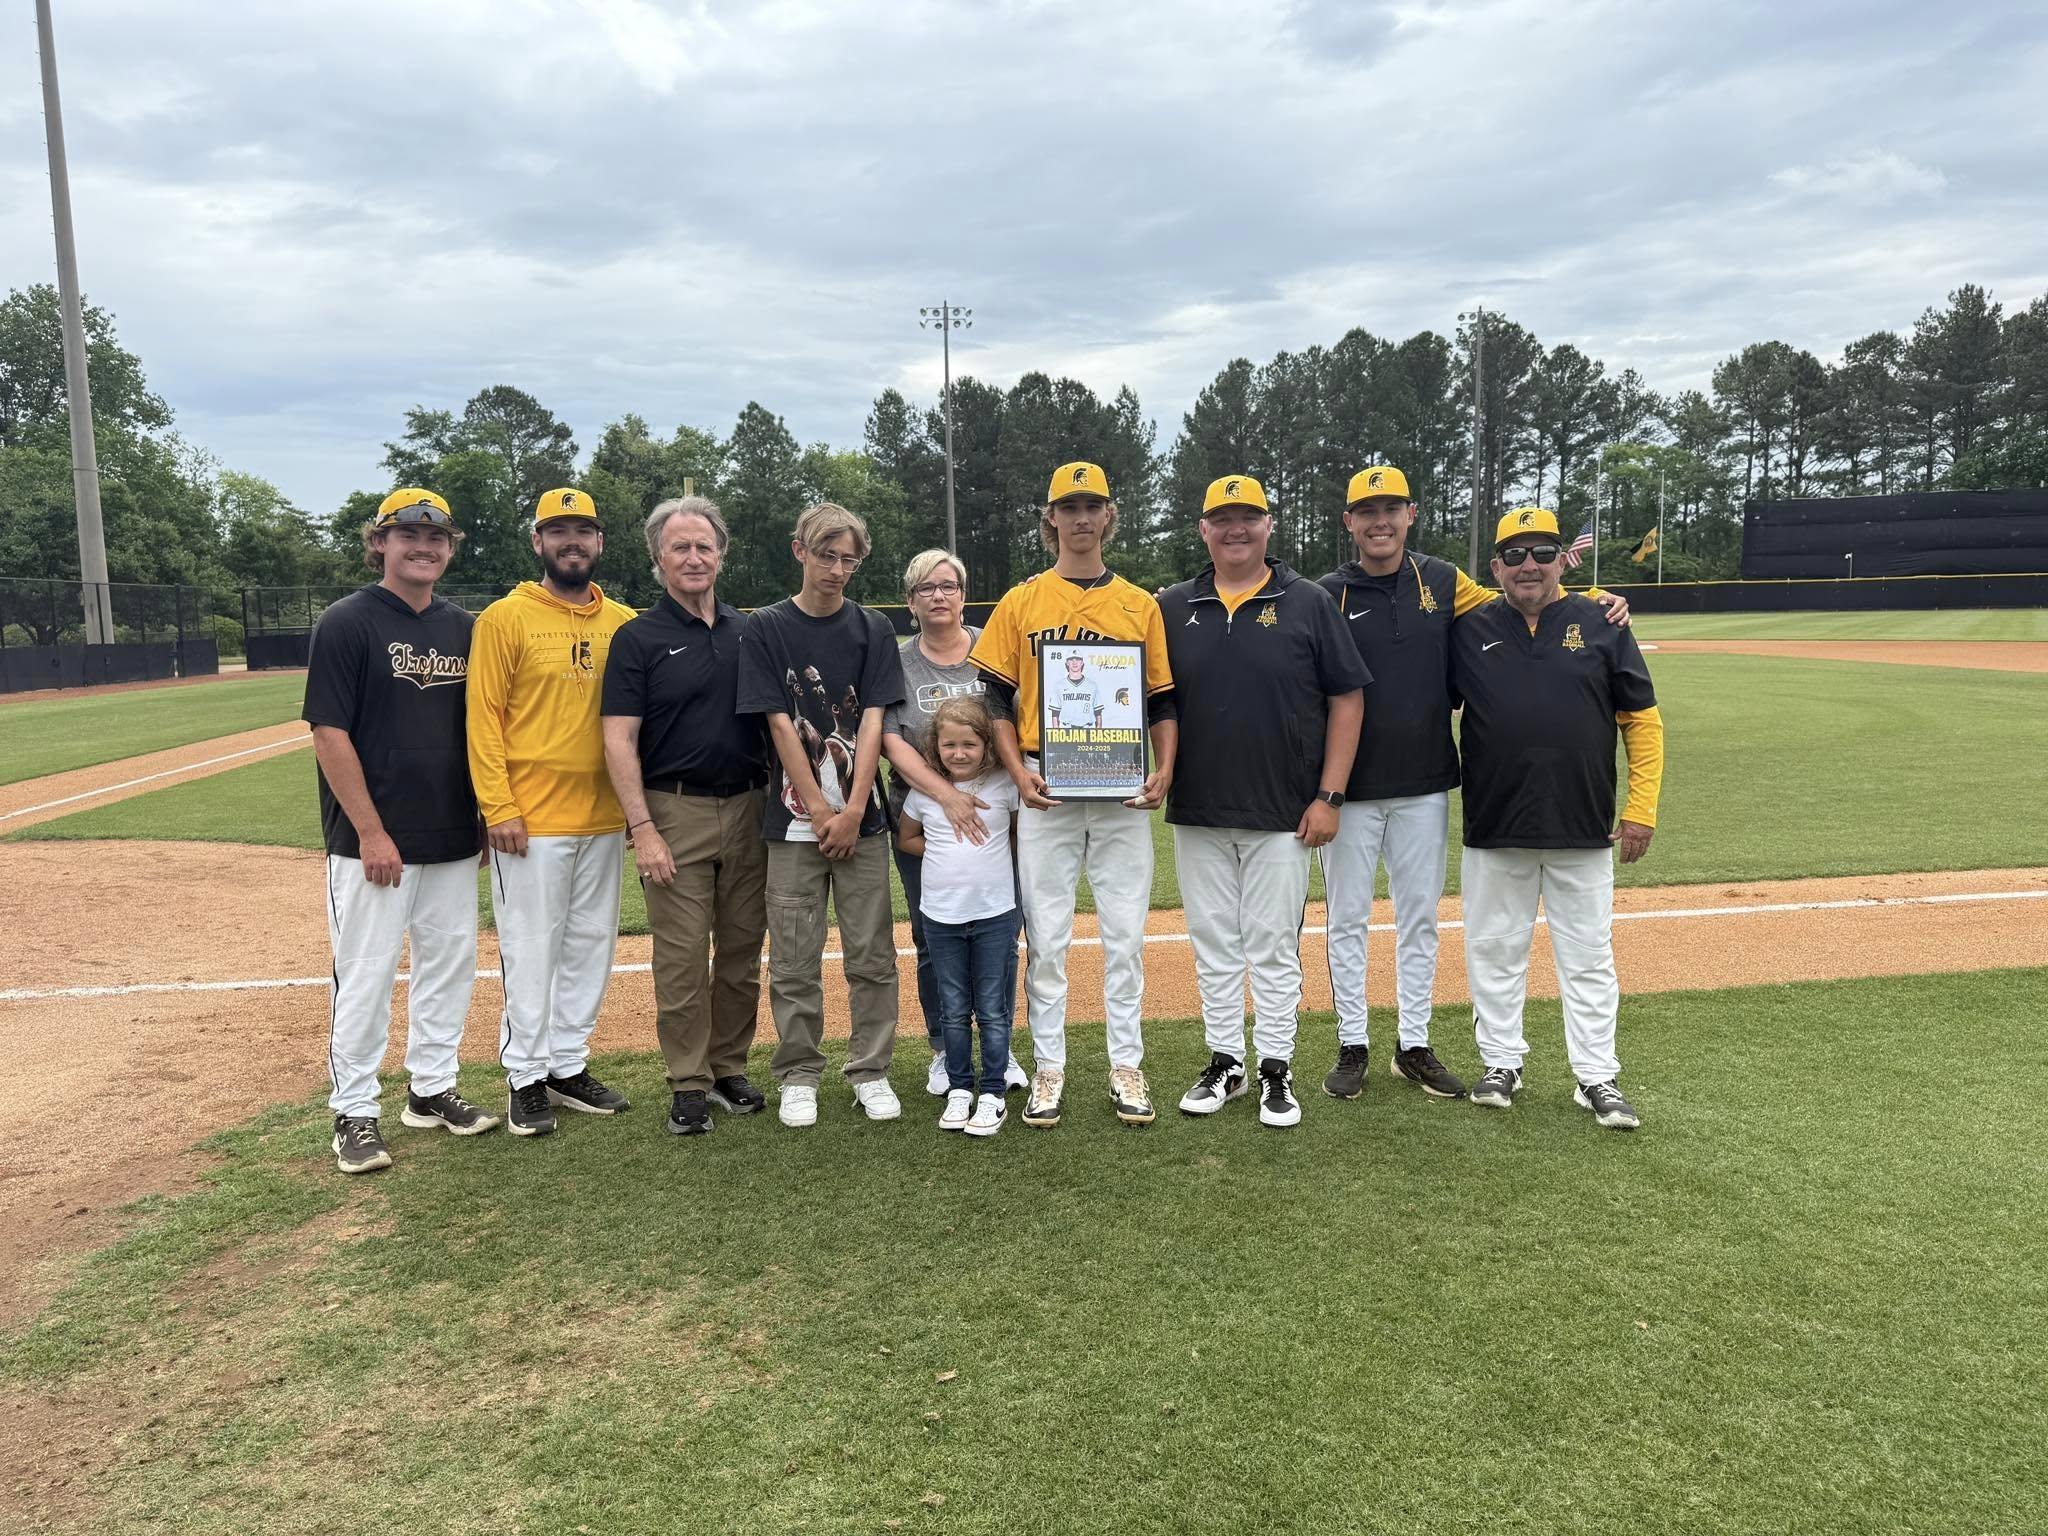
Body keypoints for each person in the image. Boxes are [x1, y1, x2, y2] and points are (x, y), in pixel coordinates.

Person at [1316, 465, 1630, 1102]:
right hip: (1349, 786)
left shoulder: (1442, 580)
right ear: (1349, 521)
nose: (1380, 521)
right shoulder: (1326, 594)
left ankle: (1413, 1044)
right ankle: (1353, 1043)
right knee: (1347, 918)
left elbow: (1527, 593)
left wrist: (1596, 600)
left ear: (1410, 515)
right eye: (1367, 511)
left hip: (1425, 783)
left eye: (1391, 509)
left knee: (1419, 919)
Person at [1159, 475, 1370, 1128]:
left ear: (1268, 524)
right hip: (1198, 807)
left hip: (1284, 811)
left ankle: (1277, 1067)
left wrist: (1330, 795)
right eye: (1222, 518)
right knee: (1213, 943)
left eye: (1248, 517)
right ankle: (1227, 1062)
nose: (1236, 529)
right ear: (1203, 529)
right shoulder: (1172, 605)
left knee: (1274, 946)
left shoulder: (1307, 601)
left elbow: (1347, 698)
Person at [971, 460, 1176, 1129]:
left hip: (1121, 786)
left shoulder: (1139, 604)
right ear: (1051, 518)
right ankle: (1050, 1069)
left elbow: (1161, 700)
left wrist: (1165, 769)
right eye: (1070, 507)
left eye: (1093, 506)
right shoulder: (1022, 600)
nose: (1082, 518)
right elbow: (994, 698)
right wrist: (1016, 771)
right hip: (1046, 783)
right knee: (1048, 937)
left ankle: (1127, 1066)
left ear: (1108, 515)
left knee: (1126, 936)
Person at [1451, 507, 1664, 1130]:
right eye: (1515, 555)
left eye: (1543, 552)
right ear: (1496, 567)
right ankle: (1501, 1062)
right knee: (1494, 950)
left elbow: (1642, 720)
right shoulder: (1469, 628)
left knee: (1589, 956)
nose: (1530, 565)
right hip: (1495, 823)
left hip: (1584, 823)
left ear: (1560, 559)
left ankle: (1596, 1075)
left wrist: (1641, 810)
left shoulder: (1601, 620)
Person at [306, 488, 498, 1174]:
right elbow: (329, 734)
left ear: (449, 549)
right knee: (365, 974)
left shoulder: (465, 628)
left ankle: (431, 1089)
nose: (424, 546)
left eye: (437, 537)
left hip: (451, 833)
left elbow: (481, 730)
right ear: (380, 542)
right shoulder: (347, 622)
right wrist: (371, 832)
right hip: (374, 841)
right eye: (408, 534)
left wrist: (482, 815)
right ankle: (354, 1111)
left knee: (448, 967)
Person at [467, 487, 638, 1136]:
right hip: (530, 821)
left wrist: (635, 809)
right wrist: (498, 806)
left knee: (590, 946)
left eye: (583, 530)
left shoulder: (623, 621)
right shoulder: (504, 618)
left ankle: (568, 1065)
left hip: (603, 817)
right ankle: (525, 1076)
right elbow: (483, 720)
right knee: (530, 948)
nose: (573, 541)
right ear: (538, 541)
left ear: (599, 542)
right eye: (558, 530)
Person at [601, 497, 770, 1138]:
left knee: (741, 951)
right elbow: (619, 740)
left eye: (704, 546)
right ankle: (689, 1081)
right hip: (673, 810)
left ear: (721, 554)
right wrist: (643, 828)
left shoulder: (750, 631)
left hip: (751, 805)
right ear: (659, 558)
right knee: (681, 958)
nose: (693, 558)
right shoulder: (638, 638)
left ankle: (728, 1067)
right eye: (680, 547)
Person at [736, 502, 907, 1129]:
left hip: (864, 821)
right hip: (792, 824)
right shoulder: (766, 627)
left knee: (872, 954)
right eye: (827, 555)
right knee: (793, 957)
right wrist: (817, 808)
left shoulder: (873, 628)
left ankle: (871, 1069)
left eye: (849, 559)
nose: (837, 569)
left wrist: (855, 808)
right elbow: (779, 722)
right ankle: (799, 1073)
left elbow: (873, 719)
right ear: (800, 551)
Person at [880, 549, 1027, 1100]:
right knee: (931, 938)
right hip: (924, 817)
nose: (938, 596)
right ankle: (945, 1049)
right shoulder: (897, 661)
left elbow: (1019, 718)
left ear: (963, 595)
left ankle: (999, 1047)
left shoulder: (993, 647)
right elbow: (891, 740)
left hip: (995, 819)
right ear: (910, 600)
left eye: (948, 586)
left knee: (1000, 938)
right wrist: (946, 797)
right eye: (926, 588)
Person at [895, 697, 1020, 1137]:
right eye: (950, 745)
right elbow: (906, 838)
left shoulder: (1004, 785)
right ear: (935, 747)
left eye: (970, 744)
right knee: (952, 1008)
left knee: (992, 1009)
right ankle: (960, 1088)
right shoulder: (925, 793)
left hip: (994, 914)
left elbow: (1019, 836)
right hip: (941, 916)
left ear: (987, 745)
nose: (959, 753)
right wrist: (945, 853)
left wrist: (991, 856)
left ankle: (993, 1091)